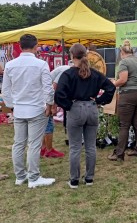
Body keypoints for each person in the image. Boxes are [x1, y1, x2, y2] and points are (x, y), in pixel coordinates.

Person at [54, 43, 115, 189]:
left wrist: (69, 106)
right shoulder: (94, 74)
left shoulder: (68, 74)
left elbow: (59, 94)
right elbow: (111, 87)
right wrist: (99, 101)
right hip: (92, 108)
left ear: (71, 56)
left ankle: (74, 180)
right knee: (90, 146)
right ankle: (89, 178)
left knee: (75, 147)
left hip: (76, 108)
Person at [2, 34, 56, 188]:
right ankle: (33, 178)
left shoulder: (10, 65)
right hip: (36, 109)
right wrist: (49, 104)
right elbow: (48, 88)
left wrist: (12, 106)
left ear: (19, 46)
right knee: (33, 144)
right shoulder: (41, 64)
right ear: (36, 46)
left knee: (18, 143)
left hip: (19, 109)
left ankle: (20, 176)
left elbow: (5, 90)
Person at [108, 40, 137, 161]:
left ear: (122, 52)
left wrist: (114, 83)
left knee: (124, 125)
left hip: (129, 95)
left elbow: (123, 79)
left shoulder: (124, 62)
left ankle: (119, 154)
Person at [40, 61, 74, 158]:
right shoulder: (67, 71)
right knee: (49, 122)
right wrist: (53, 106)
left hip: (44, 94)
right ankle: (49, 150)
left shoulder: (67, 69)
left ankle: (43, 148)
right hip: (45, 95)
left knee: (46, 122)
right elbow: (54, 88)